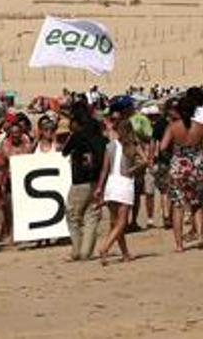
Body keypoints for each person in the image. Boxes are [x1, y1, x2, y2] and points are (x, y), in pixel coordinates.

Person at [94, 112, 147, 265]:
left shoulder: (110, 146)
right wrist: (133, 169)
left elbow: (104, 169)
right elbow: (145, 161)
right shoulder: (132, 146)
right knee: (122, 222)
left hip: (111, 183)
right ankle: (105, 247)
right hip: (124, 183)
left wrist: (99, 187)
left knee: (115, 222)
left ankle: (125, 254)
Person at [160, 89, 203, 252]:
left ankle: (179, 244)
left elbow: (163, 147)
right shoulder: (201, 127)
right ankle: (201, 236)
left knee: (178, 205)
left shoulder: (173, 127)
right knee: (198, 203)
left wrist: (175, 154)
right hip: (197, 165)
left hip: (179, 166)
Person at [62, 106, 106, 261]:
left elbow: (64, 151)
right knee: (91, 217)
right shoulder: (101, 138)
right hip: (96, 181)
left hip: (80, 181)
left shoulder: (78, 136)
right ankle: (86, 251)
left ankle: (76, 250)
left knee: (72, 215)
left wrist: (71, 136)